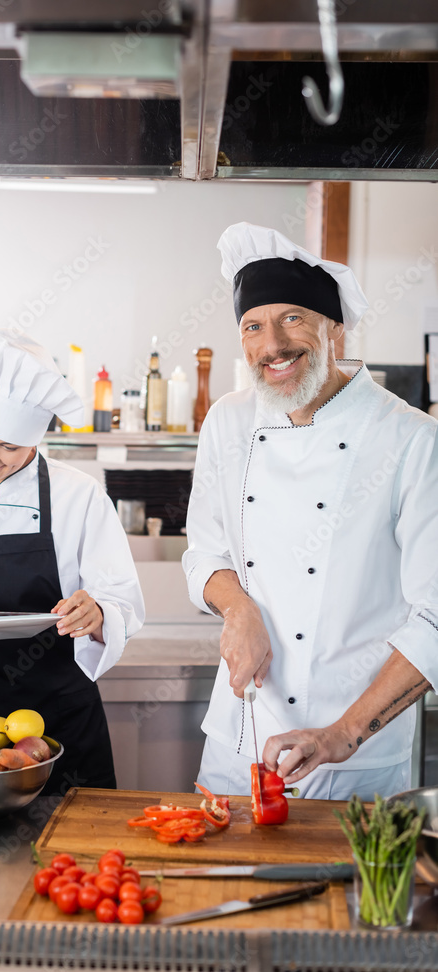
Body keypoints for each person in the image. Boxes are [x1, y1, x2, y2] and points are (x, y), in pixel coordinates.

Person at [183, 222, 438, 800]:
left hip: (354, 759)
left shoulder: (412, 441)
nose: (272, 344)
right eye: (253, 326)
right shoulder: (227, 420)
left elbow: (434, 620)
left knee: (345, 893)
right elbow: (205, 552)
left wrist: (343, 734)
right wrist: (238, 607)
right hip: (238, 740)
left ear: (335, 329)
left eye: (292, 318)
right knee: (213, 886)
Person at [0, 330, 144, 794]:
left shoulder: (78, 495)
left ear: (36, 442)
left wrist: (98, 614)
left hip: (62, 719)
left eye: (9, 447)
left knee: (80, 853)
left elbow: (122, 602)